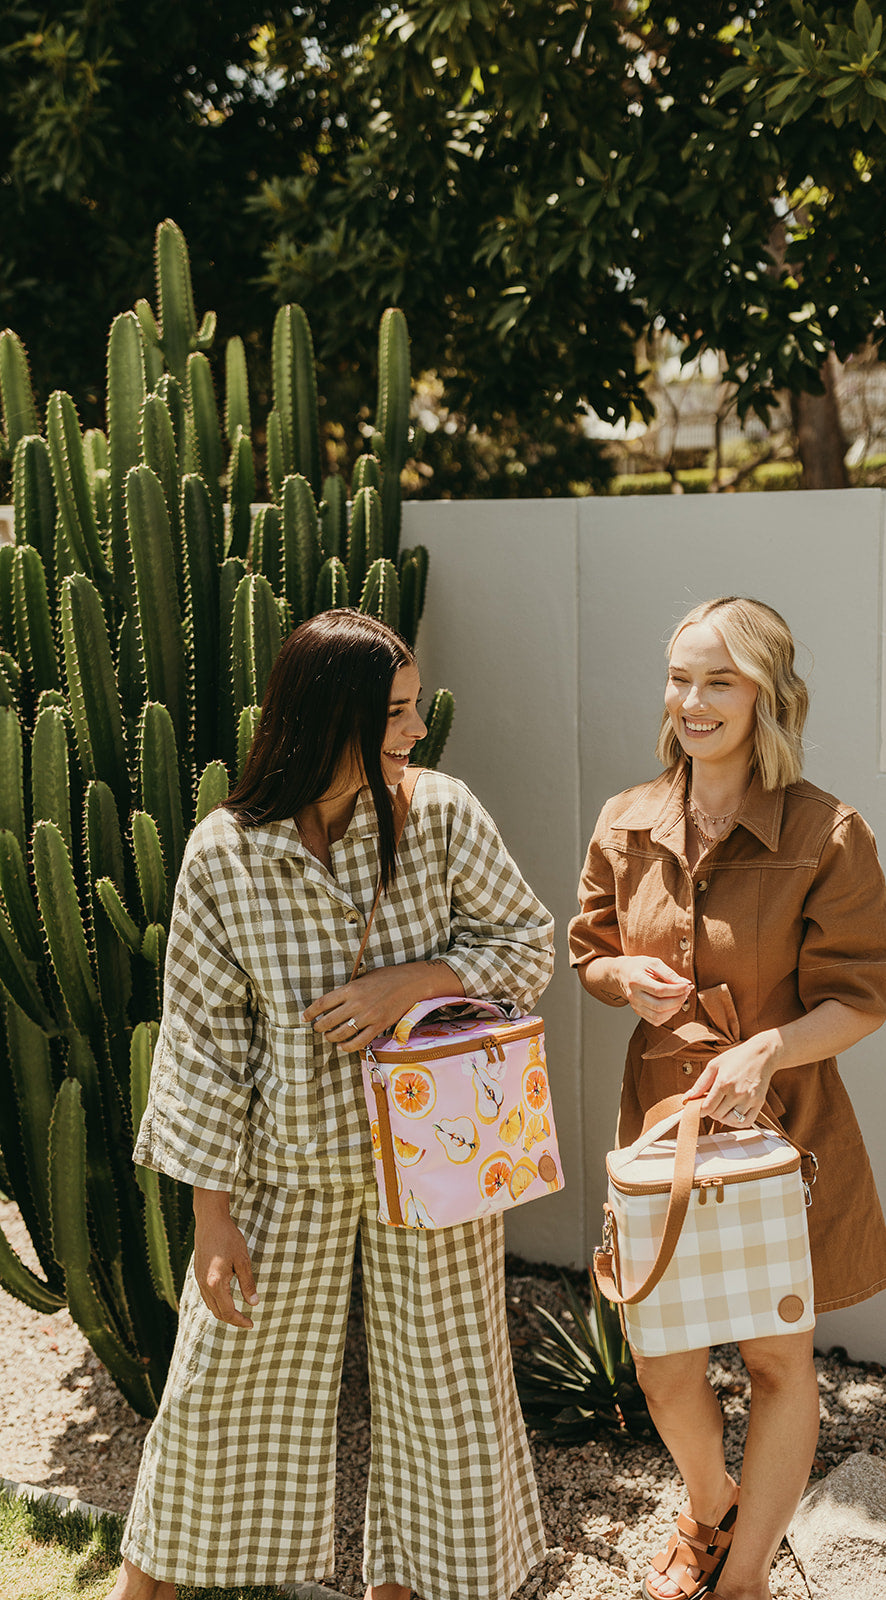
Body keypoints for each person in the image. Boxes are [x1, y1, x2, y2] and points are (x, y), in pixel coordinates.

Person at [107, 609, 553, 1600]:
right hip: (285, 1167)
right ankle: (142, 1590)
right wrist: (211, 1216)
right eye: (394, 712)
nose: (416, 729)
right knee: (218, 1390)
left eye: (413, 707)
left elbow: (528, 944)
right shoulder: (226, 853)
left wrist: (415, 981)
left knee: (446, 1401)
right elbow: (202, 1046)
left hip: (435, 1166)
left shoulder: (441, 814)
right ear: (326, 716)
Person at [569, 597, 886, 1600]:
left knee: (773, 1359)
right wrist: (619, 978)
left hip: (774, 1132)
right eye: (680, 678)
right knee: (662, 1360)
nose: (693, 701)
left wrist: (766, 1050)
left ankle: (745, 1573)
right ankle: (711, 1502)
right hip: (659, 1130)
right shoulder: (624, 820)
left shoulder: (827, 832)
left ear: (768, 694)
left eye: (719, 680)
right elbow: (589, 950)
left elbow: (862, 997)